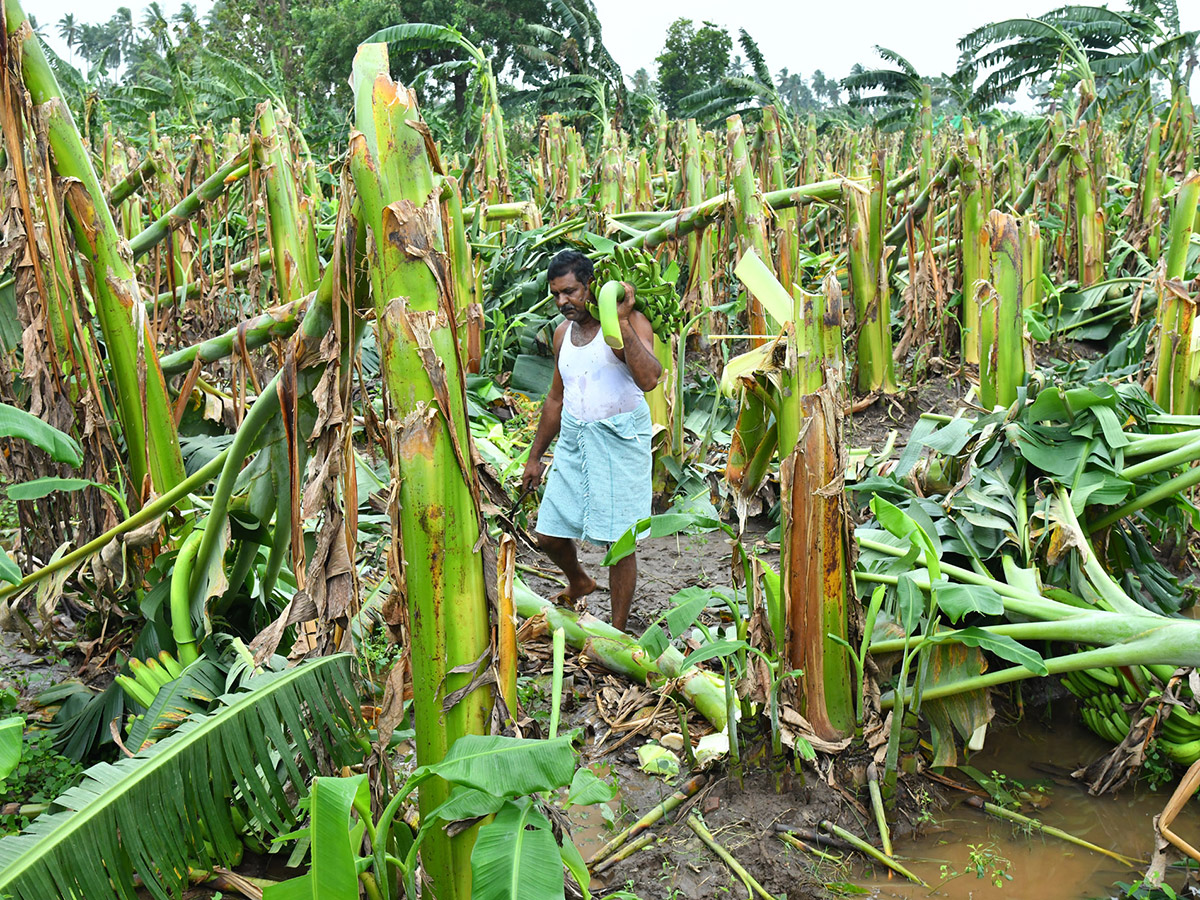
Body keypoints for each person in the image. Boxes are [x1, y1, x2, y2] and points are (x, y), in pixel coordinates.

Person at [521, 249, 662, 632]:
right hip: (575, 439)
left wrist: (619, 321)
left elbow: (650, 379)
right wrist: (535, 457)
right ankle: (580, 580)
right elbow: (555, 397)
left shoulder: (628, 323)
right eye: (556, 295)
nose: (562, 302)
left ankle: (616, 631)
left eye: (569, 292)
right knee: (548, 535)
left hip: (620, 439)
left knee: (620, 544)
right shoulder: (563, 334)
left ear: (591, 287)